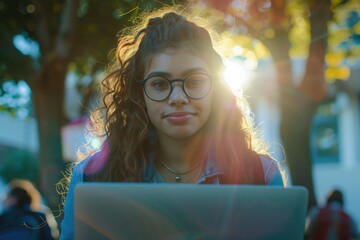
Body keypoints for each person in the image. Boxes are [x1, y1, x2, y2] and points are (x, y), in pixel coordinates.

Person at [59, 6, 286, 240]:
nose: (178, 98)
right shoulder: (92, 178)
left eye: (195, 81)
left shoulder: (261, 176)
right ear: (140, 94)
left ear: (216, 89)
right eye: (159, 84)